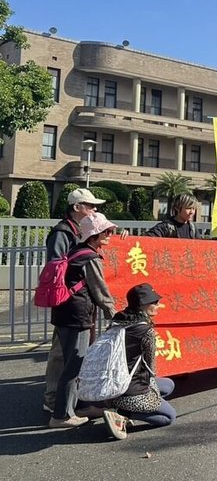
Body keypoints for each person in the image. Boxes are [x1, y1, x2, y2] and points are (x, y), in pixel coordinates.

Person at [48, 212, 118, 428]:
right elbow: (99, 289)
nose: (110, 234)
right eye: (106, 231)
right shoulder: (90, 257)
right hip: (77, 315)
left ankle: (74, 408)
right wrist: (113, 313)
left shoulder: (76, 251)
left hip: (63, 312)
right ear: (95, 235)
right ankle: (61, 416)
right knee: (74, 365)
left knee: (73, 363)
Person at [42, 188, 106, 415]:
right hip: (69, 302)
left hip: (76, 301)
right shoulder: (62, 232)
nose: (94, 209)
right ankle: (54, 399)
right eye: (90, 205)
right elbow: (56, 266)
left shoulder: (78, 230)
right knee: (63, 353)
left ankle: (70, 400)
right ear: (77, 207)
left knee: (74, 354)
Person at [102, 283, 177, 440]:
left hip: (111, 385)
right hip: (131, 388)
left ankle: (121, 406)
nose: (159, 305)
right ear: (143, 305)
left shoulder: (118, 320)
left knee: (169, 385)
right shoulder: (146, 331)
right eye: (155, 302)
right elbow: (151, 368)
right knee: (169, 417)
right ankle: (123, 414)